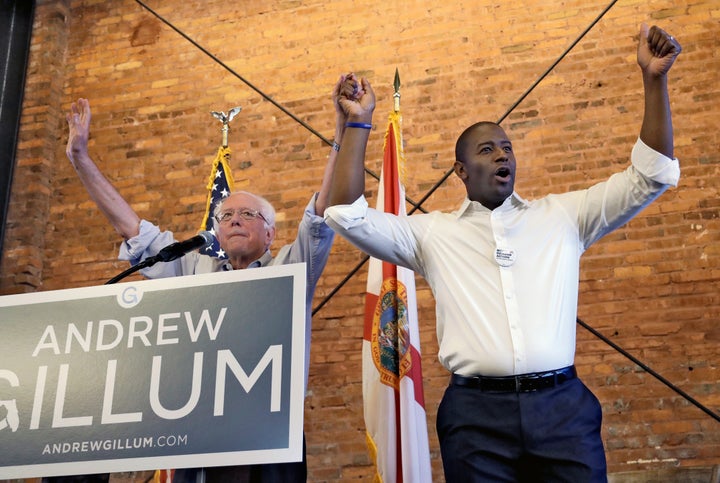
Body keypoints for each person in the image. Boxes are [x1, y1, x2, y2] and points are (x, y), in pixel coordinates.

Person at [325, 24, 681, 482]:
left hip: (563, 412)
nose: (502, 155)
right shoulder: (431, 234)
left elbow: (649, 177)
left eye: (508, 148)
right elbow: (345, 214)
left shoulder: (564, 217)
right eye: (487, 148)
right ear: (461, 170)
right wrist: (358, 122)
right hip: (476, 419)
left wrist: (655, 80)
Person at [56, 75, 358, 483]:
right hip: (197, 432)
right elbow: (133, 231)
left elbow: (322, 212)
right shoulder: (192, 270)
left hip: (267, 431)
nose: (233, 219)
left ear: (270, 233)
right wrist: (81, 160)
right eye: (226, 216)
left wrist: (343, 131)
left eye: (248, 215)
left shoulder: (290, 270)